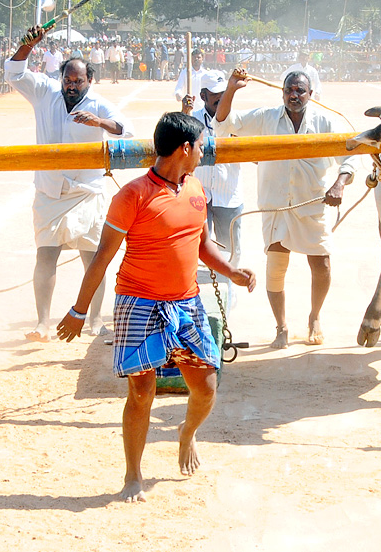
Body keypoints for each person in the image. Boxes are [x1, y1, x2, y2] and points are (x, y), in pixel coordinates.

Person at [54, 112, 256, 503]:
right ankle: (133, 476)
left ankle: (187, 433)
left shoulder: (196, 187)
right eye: (200, 146)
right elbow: (103, 257)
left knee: (206, 387)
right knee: (142, 391)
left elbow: (200, 243)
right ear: (185, 149)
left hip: (187, 302)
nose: (203, 152)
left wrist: (231, 270)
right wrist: (79, 311)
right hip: (139, 302)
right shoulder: (132, 195)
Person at [5, 25, 133, 341]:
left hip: (88, 193)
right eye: (67, 80)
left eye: (78, 81)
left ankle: (95, 321)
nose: (71, 86)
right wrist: (27, 45)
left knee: (95, 258)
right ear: (60, 78)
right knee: (46, 255)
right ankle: (42, 324)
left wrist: (99, 122)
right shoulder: (45, 92)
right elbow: (14, 73)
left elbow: (126, 130)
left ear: (90, 80)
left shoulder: (100, 104)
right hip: (49, 190)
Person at [215, 68, 357, 348]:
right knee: (276, 267)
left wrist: (340, 184)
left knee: (322, 263)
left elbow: (350, 159)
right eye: (289, 90)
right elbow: (224, 124)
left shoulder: (326, 122)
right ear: (282, 93)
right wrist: (231, 88)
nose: (294, 95)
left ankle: (315, 317)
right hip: (275, 206)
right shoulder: (267, 117)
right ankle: (281, 327)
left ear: (310, 95)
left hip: (312, 204)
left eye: (300, 91)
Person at [181, 70, 244, 264]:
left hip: (228, 194)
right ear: (202, 96)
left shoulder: (239, 121)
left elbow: (255, 158)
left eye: (223, 92)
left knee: (231, 250)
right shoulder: (192, 119)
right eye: (214, 93)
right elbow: (177, 147)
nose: (220, 98)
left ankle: (230, 283)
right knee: (196, 245)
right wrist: (183, 114)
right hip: (199, 193)